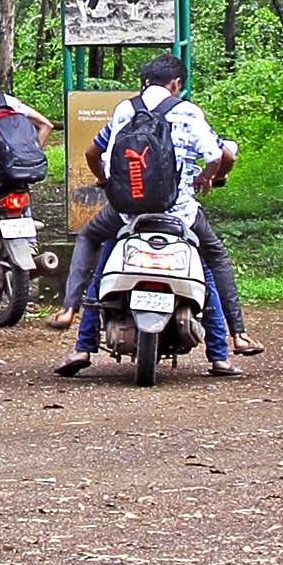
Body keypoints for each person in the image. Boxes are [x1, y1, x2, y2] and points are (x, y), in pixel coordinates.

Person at [56, 53, 242, 379]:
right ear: (176, 84)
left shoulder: (124, 110)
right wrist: (206, 177)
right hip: (180, 215)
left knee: (97, 247)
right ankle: (227, 346)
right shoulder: (188, 112)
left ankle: (77, 329)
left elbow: (92, 152)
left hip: (129, 213)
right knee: (212, 262)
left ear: (144, 82)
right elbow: (218, 155)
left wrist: (105, 181)